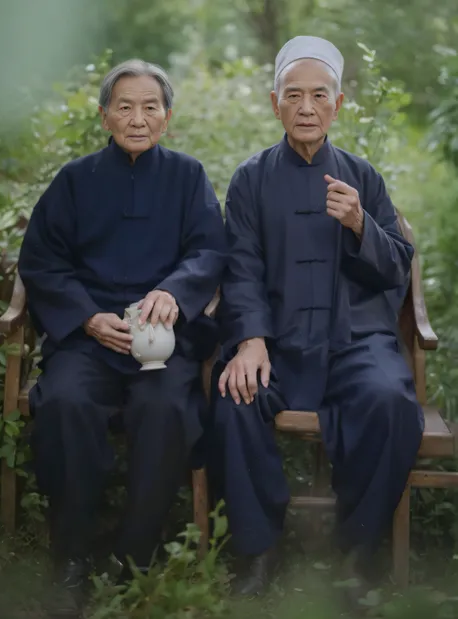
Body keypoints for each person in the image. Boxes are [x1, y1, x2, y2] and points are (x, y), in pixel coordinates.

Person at [208, 36, 424, 596]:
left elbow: (396, 269)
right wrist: (250, 339)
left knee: (390, 401)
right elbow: (240, 267)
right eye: (294, 95)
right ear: (275, 102)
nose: (307, 107)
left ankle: (357, 553)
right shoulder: (250, 180)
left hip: (355, 343)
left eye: (319, 95)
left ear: (339, 103)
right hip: (277, 344)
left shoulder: (363, 176)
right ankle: (259, 552)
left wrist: (359, 225)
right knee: (235, 398)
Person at [18, 59, 226, 615]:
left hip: (162, 341)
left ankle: (135, 556)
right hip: (91, 338)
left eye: (150, 106)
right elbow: (42, 261)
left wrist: (175, 293)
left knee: (165, 411)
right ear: (106, 115)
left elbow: (209, 250)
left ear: (168, 116)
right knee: (63, 402)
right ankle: (72, 555)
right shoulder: (74, 180)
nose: (139, 118)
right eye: (126, 106)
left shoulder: (188, 177)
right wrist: (87, 317)